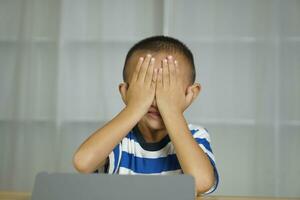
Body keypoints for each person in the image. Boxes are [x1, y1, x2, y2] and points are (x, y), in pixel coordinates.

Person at [73, 35, 219, 195]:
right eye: (146, 87)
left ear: (190, 94)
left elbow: (201, 182)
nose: (156, 100)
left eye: (167, 88)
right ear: (126, 92)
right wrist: (136, 106)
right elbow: (83, 162)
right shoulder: (119, 140)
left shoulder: (196, 135)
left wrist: (171, 110)